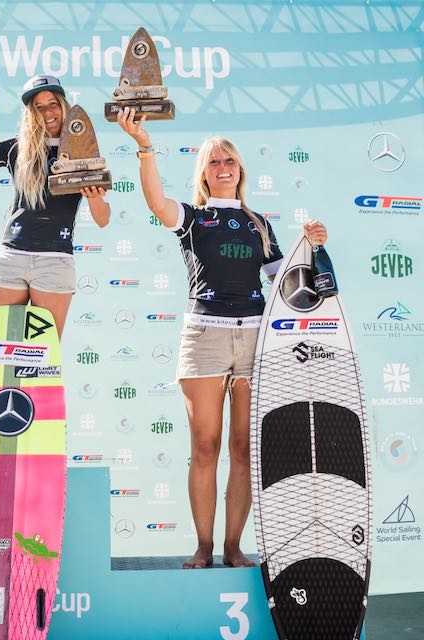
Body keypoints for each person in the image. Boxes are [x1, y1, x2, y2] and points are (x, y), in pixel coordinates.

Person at [117, 108, 328, 568]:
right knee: (205, 446)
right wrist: (145, 147)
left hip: (255, 339)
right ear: (204, 173)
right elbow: (156, 203)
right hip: (205, 337)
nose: (223, 167)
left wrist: (312, 247)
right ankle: (204, 546)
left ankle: (233, 546)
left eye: (229, 160)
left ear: (240, 170)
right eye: (214, 162)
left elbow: (288, 285)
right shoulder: (194, 217)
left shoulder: (260, 224)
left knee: (244, 449)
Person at [0, 74, 110, 338]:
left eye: (53, 104)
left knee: (42, 353)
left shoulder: (82, 150)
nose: (48, 112)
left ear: (64, 105)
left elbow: (103, 219)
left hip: (55, 260)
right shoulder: (18, 148)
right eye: (39, 107)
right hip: (12, 256)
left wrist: (94, 197)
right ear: (31, 113)